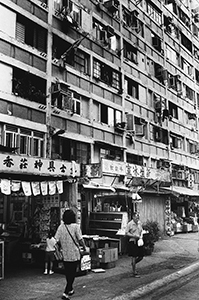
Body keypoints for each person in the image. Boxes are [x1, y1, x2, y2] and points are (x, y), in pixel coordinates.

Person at [55, 209, 87, 300]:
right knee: (72, 273)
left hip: (65, 254)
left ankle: (71, 289)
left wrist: (59, 249)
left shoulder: (61, 227)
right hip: (74, 253)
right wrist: (84, 247)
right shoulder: (76, 227)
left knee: (68, 273)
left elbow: (55, 240)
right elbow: (80, 239)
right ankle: (66, 292)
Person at [125, 212, 144, 278]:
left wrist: (141, 236)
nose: (137, 218)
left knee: (141, 256)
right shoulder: (130, 224)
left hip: (139, 241)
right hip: (132, 241)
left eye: (138, 217)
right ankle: (134, 272)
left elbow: (141, 230)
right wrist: (133, 236)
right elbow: (126, 233)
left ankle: (133, 264)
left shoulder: (139, 223)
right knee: (134, 256)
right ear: (133, 217)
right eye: (136, 217)